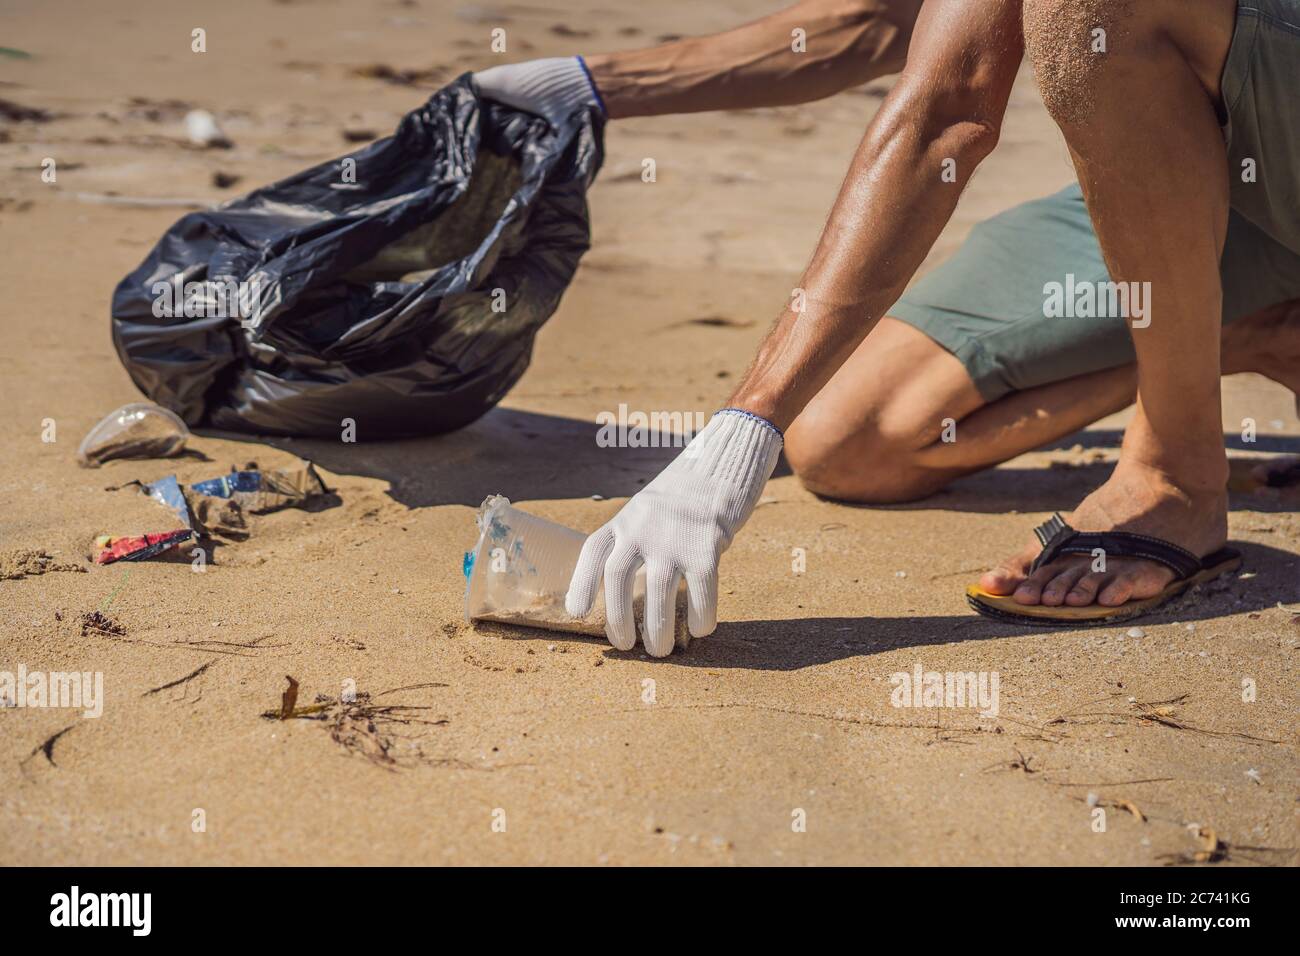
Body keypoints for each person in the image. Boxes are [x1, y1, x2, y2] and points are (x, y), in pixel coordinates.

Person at [473, 0, 1300, 654]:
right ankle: (1246, 334)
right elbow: (897, 39)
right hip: (1201, 182)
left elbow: (965, 95)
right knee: (850, 440)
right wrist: (579, 84)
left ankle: (1176, 477)